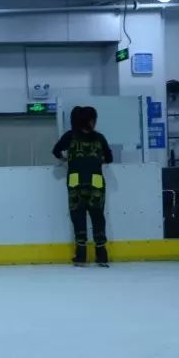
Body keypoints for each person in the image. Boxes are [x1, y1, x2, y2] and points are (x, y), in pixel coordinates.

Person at [52, 106, 114, 267]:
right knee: (97, 216)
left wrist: (66, 160)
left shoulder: (70, 136)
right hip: (96, 182)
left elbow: (56, 151)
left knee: (77, 216)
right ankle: (101, 254)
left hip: (75, 181)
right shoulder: (99, 138)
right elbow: (109, 158)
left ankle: (81, 255)